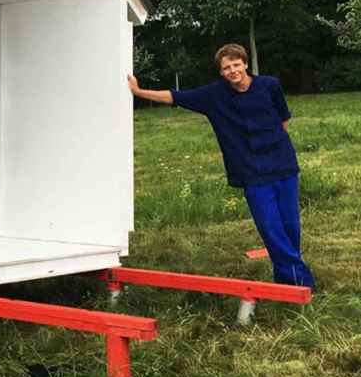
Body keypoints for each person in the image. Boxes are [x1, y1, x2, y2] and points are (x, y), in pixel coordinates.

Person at [127, 44, 314, 288]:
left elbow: (284, 118)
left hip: (283, 166)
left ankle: (287, 281)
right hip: (251, 172)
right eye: (227, 67)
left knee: (290, 226)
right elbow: (176, 97)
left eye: (237, 65)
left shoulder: (269, 85)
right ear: (221, 73)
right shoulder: (213, 96)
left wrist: (278, 146)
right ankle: (302, 283)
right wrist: (139, 91)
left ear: (245, 64)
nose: (233, 70)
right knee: (270, 227)